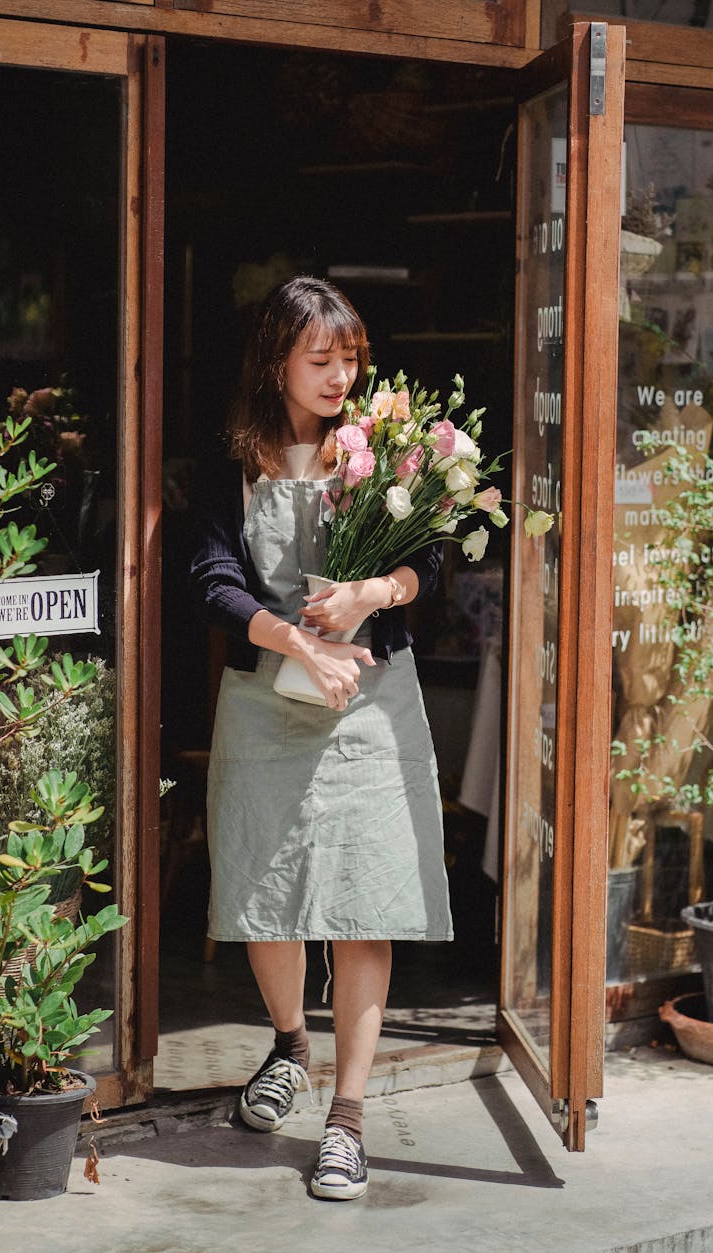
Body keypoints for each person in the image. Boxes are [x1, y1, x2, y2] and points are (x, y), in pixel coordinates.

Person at [189, 276, 452, 1201]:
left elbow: (429, 557)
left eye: (350, 358)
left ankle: (347, 1117)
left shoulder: (384, 450)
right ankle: (289, 1046)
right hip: (267, 699)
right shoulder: (233, 456)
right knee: (270, 888)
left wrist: (368, 595)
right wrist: (296, 633)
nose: (341, 375)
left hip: (373, 701)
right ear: (276, 361)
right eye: (320, 358)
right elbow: (211, 577)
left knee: (365, 898)